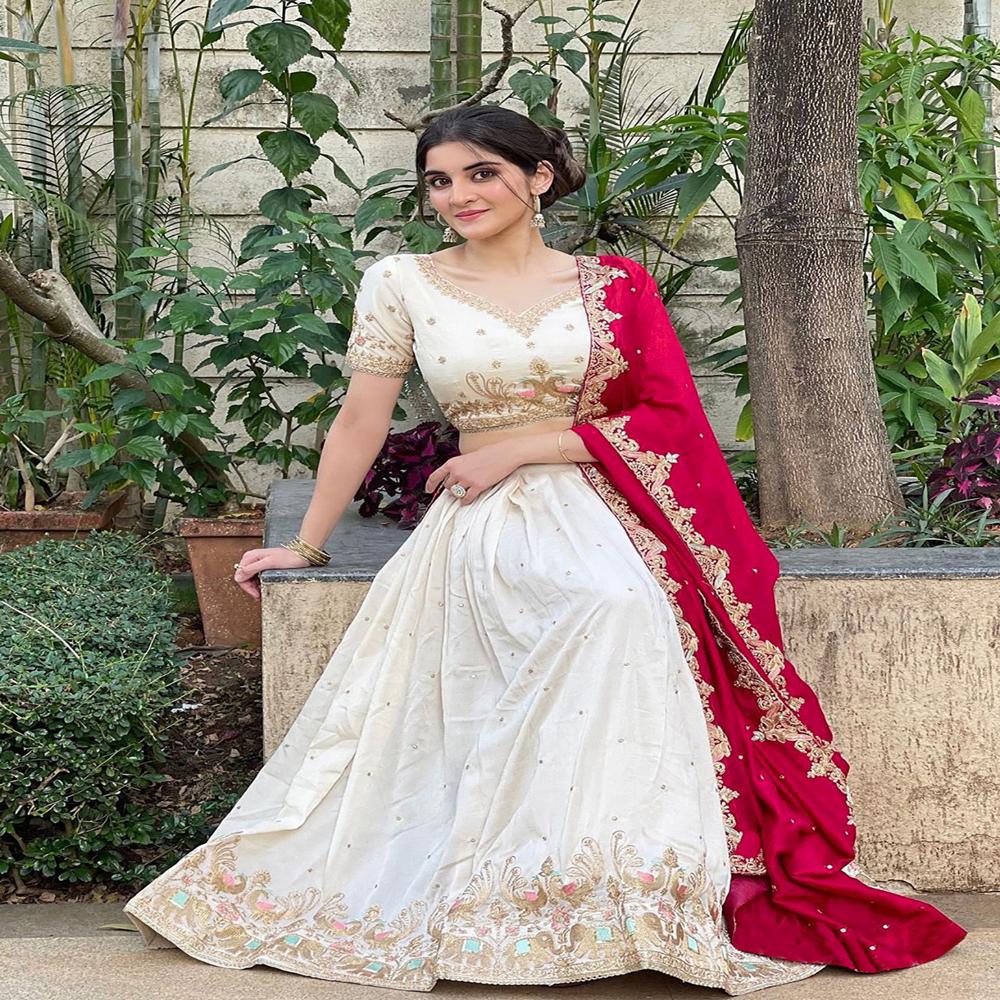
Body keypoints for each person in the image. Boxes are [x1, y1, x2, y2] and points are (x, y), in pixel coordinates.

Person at [122, 105, 966, 993]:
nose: (458, 195)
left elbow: (667, 416)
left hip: (606, 504)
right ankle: (510, 891)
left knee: (618, 606)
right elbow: (361, 420)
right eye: (439, 180)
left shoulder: (613, 285)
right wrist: (304, 543)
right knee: (582, 611)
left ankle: (611, 884)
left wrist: (525, 448)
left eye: (481, 172)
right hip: (484, 521)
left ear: (539, 177)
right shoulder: (403, 281)